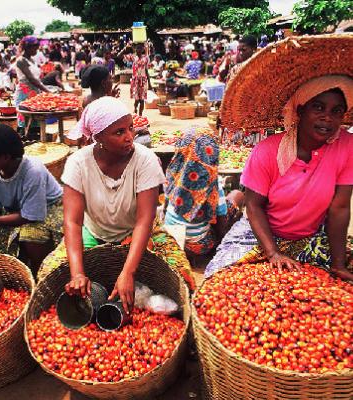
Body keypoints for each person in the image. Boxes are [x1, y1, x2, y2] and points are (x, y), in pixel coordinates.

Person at [206, 35, 353, 282]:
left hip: (311, 236)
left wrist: (338, 264)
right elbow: (253, 206)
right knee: (221, 279)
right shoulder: (266, 151)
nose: (327, 118)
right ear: (299, 110)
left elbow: (339, 209)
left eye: (336, 111)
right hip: (258, 234)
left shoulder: (347, 147)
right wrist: (272, 252)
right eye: (318, 108)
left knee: (324, 285)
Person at [39, 97, 195, 313]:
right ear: (98, 137)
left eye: (131, 128)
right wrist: (77, 274)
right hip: (93, 232)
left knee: (182, 277)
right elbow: (73, 222)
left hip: (140, 232)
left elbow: (144, 221)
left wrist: (128, 272)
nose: (130, 137)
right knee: (48, 274)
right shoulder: (78, 163)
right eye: (119, 132)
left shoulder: (145, 160)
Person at [0, 124, 63, 274]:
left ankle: (38, 275)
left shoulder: (33, 171)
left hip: (46, 209)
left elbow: (29, 216)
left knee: (31, 238)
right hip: (15, 210)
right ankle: (1, 273)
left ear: (5, 157)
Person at [164, 128, 243, 267]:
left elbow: (165, 205)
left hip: (171, 238)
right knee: (237, 195)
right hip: (197, 245)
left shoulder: (172, 173)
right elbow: (221, 221)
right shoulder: (212, 183)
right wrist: (222, 240)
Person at [14, 36, 49, 130]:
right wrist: (47, 90)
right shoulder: (21, 61)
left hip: (34, 93)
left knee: (35, 122)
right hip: (24, 94)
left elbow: (36, 77)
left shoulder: (32, 60)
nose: (36, 51)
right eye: (35, 48)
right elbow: (31, 78)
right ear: (28, 48)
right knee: (25, 122)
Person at [127, 44, 152, 116]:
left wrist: (149, 83)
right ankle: (135, 110)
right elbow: (119, 56)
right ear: (135, 49)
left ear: (142, 50)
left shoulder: (145, 59)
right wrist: (126, 47)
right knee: (136, 98)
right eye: (137, 48)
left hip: (143, 81)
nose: (138, 50)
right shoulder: (133, 57)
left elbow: (146, 70)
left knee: (142, 99)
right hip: (135, 81)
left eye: (140, 48)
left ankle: (140, 115)